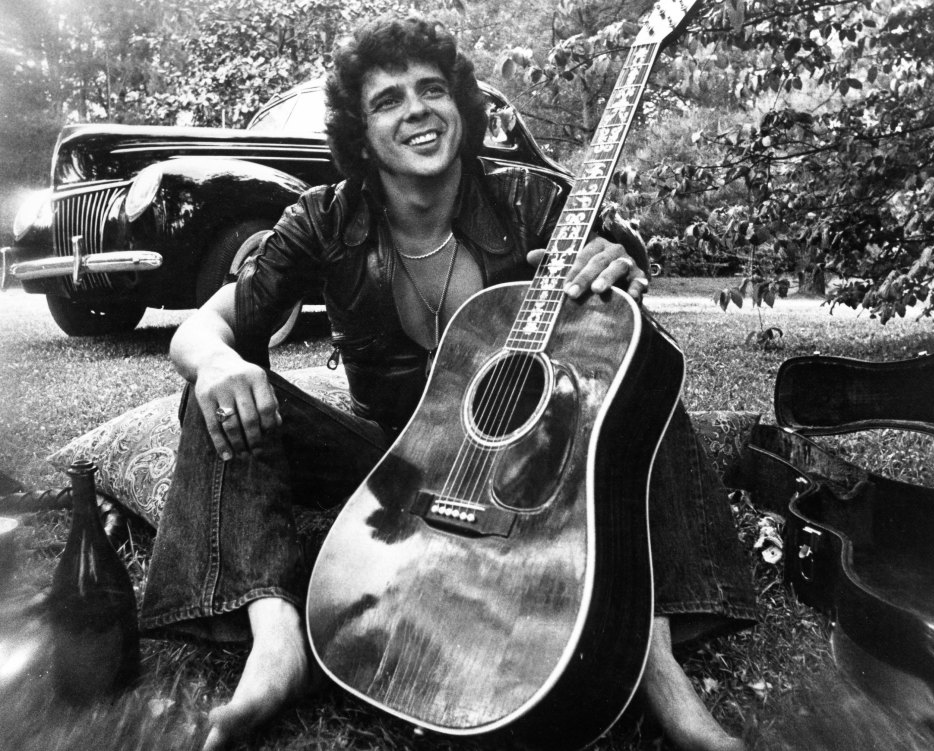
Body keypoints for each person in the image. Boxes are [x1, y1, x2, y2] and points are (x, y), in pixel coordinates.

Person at [139, 14, 756, 751]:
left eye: (432, 90)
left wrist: (615, 277)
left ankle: (652, 659)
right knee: (213, 394)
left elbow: (614, 291)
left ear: (462, 107)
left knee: (644, 380)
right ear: (361, 134)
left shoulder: (531, 200)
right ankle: (277, 642)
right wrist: (217, 361)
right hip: (388, 465)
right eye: (389, 100)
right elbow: (202, 325)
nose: (418, 110)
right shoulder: (324, 219)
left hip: (521, 464)